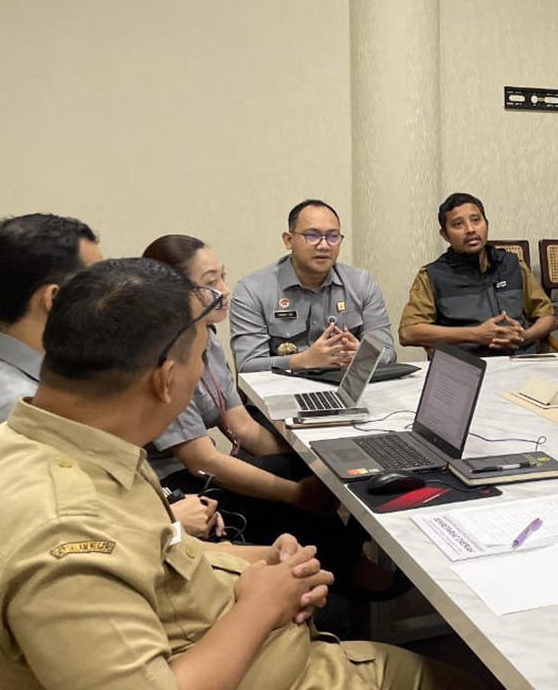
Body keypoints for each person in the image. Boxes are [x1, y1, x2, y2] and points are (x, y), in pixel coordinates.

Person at [0, 258, 474, 690]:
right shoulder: (66, 533)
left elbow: (157, 557)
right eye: (200, 359)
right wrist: (261, 606)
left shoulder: (55, 442)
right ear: (165, 379)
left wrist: (268, 565)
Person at [144, 235, 395, 623]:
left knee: (308, 467)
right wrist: (296, 494)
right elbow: (201, 460)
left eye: (222, 277)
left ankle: (348, 568)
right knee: (292, 497)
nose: (225, 291)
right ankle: (346, 580)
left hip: (197, 473)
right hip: (172, 489)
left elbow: (242, 426)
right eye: (211, 283)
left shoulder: (205, 336)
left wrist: (310, 449)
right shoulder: (163, 351)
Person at [0, 214, 219, 539]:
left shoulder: (56, 368)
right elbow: (61, 534)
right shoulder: (17, 404)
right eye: (94, 281)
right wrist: (169, 525)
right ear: (55, 298)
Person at [230, 199, 395, 372]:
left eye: (333, 237)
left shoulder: (361, 283)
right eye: (312, 235)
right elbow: (248, 365)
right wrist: (302, 361)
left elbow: (388, 353)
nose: (324, 245)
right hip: (283, 391)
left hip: (345, 391)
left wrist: (363, 356)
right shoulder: (252, 290)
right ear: (288, 240)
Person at [398, 192, 557, 356]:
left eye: (476, 220)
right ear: (445, 234)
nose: (470, 229)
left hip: (520, 362)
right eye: (458, 224)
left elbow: (548, 317)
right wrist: (476, 335)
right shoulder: (432, 276)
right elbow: (408, 332)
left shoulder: (512, 265)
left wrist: (525, 336)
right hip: (467, 368)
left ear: (486, 224)